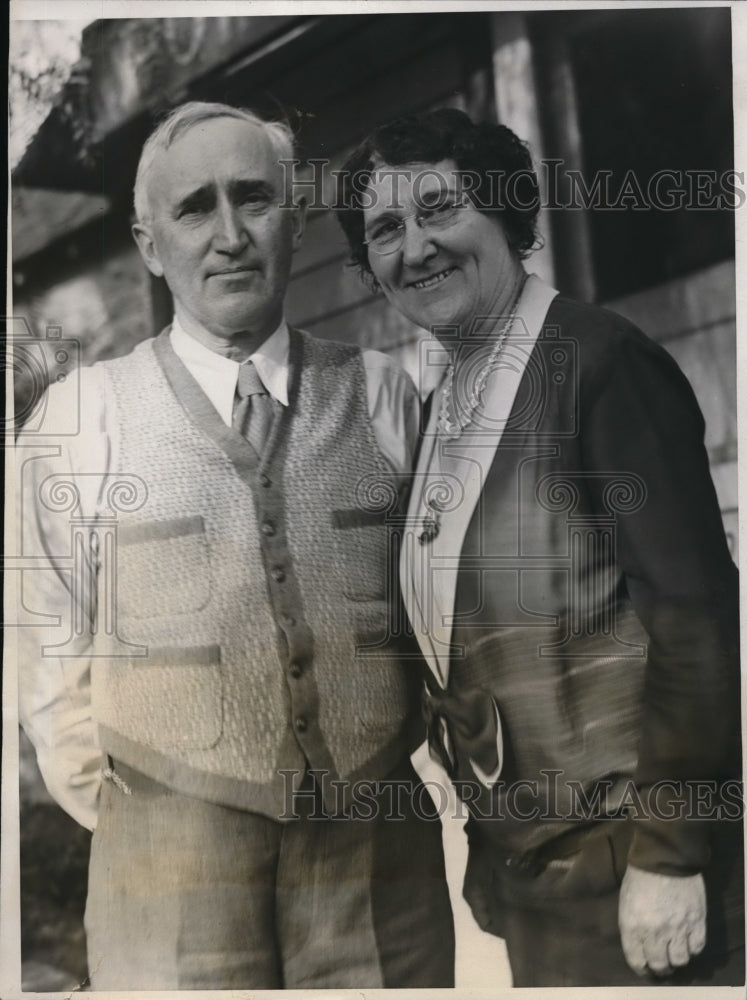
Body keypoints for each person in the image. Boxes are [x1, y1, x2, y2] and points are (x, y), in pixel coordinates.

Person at [17, 101, 455, 990]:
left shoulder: (385, 396)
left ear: (292, 221)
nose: (229, 236)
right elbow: (41, 646)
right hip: (167, 875)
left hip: (378, 868)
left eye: (254, 200)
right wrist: (144, 816)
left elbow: (445, 620)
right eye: (194, 209)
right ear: (149, 244)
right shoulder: (82, 413)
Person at [336, 107, 744, 987]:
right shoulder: (447, 401)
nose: (416, 249)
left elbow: (697, 618)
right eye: (385, 230)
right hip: (542, 876)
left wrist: (670, 855)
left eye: (441, 209)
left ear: (508, 213)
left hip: (640, 868)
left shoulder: (599, 364)